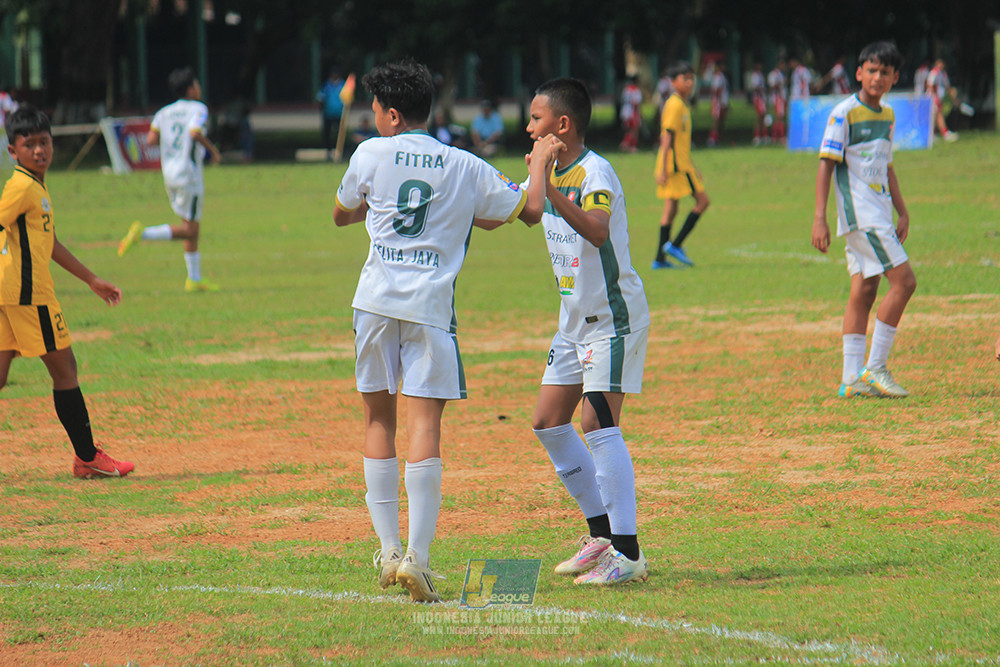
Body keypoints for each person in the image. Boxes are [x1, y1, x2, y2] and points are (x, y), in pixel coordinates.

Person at [332, 59, 547, 603]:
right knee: (424, 423)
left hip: (374, 304)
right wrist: (541, 164)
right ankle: (418, 559)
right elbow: (525, 211)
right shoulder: (464, 164)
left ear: (393, 115)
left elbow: (342, 212)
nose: (375, 121)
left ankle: (388, 551)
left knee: (378, 419)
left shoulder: (369, 153)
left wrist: (374, 208)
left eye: (376, 112)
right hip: (429, 308)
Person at [523, 77, 650, 586]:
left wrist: (549, 186)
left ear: (562, 124)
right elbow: (527, 211)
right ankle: (600, 535)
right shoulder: (546, 171)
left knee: (597, 424)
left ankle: (628, 553)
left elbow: (597, 231)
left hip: (612, 319)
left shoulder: (595, 171)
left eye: (536, 118)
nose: (528, 127)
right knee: (549, 422)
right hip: (573, 321)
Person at [0, 105, 134, 478]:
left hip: (11, 293)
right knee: (66, 370)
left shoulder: (35, 185)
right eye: (29, 144)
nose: (39, 150)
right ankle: (87, 458)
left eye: (44, 142)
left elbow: (51, 243)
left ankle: (87, 457)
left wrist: (91, 279)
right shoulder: (22, 187)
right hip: (28, 295)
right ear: (13, 151)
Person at [811, 41, 916, 399]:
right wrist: (819, 218)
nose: (877, 77)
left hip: (879, 211)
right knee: (904, 282)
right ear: (858, 73)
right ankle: (876, 368)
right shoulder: (844, 113)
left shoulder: (887, 115)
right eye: (871, 70)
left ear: (895, 77)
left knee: (866, 288)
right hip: (862, 215)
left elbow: (887, 167)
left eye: (885, 72)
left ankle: (852, 378)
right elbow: (826, 165)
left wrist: (902, 210)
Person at [117, 67, 221, 293]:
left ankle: (194, 279)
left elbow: (151, 139)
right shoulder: (199, 108)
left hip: (170, 174)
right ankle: (143, 233)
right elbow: (195, 132)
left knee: (189, 225)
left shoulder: (164, 112)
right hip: (189, 175)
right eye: (196, 83)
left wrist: (172, 143)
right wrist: (212, 151)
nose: (199, 87)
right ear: (191, 89)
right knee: (191, 230)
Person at [652, 62, 710, 270]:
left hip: (682, 165)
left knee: (670, 209)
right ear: (673, 82)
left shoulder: (681, 104)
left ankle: (660, 259)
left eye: (691, 78)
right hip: (676, 168)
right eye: (685, 79)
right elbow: (667, 138)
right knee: (703, 201)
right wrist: (663, 169)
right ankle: (675, 245)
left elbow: (680, 142)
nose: (689, 83)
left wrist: (693, 166)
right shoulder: (675, 105)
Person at [927, 59, 959, 142]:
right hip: (933, 98)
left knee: (935, 115)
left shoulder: (943, 74)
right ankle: (944, 133)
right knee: (938, 115)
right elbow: (930, 85)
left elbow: (947, 87)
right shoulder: (934, 73)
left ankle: (933, 134)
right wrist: (935, 97)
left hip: (939, 97)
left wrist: (953, 99)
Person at [317, 68, 346, 160]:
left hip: (339, 113)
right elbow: (321, 98)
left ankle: (340, 152)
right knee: (327, 134)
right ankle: (328, 152)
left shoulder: (343, 85)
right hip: (328, 113)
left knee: (339, 134)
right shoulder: (327, 85)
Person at [618, 74, 643, 152]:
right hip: (632, 111)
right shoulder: (636, 90)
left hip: (625, 110)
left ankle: (628, 145)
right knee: (635, 129)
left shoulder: (626, 89)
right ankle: (627, 144)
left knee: (629, 129)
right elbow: (636, 102)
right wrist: (640, 114)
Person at [707, 61, 729, 147]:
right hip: (718, 102)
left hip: (722, 101)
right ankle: (712, 138)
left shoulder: (721, 76)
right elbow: (716, 90)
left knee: (720, 120)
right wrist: (718, 102)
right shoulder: (717, 76)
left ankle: (717, 137)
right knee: (716, 120)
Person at [768, 59, 788, 143]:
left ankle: (777, 136)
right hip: (778, 98)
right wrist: (780, 85)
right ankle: (779, 136)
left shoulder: (782, 74)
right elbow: (772, 86)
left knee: (781, 117)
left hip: (782, 98)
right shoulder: (774, 74)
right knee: (779, 117)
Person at [749, 62, 768, 146]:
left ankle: (763, 135)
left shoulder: (760, 74)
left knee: (763, 116)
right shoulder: (755, 75)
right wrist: (761, 92)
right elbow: (755, 87)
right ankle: (757, 136)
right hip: (758, 98)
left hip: (762, 98)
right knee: (759, 117)